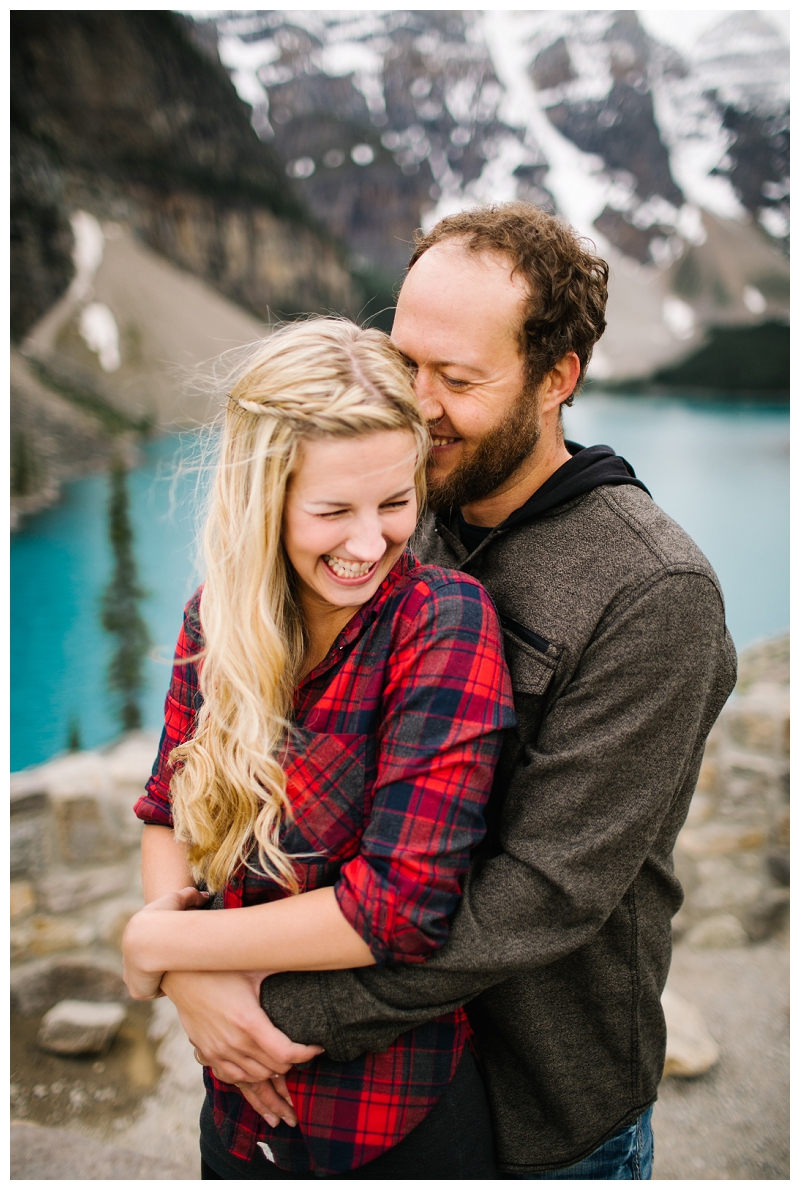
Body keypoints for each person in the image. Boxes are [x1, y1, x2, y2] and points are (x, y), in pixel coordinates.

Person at [144, 203, 738, 1179]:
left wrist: (254, 1000)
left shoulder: (648, 590)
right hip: (358, 1091)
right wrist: (191, 960)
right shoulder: (393, 508)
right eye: (402, 361)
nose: (414, 406)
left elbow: (539, 894)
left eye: (455, 380)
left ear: (556, 380)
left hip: (543, 1103)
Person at [123, 318, 516, 1178]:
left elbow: (400, 907)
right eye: (333, 510)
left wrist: (162, 948)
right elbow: (163, 813)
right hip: (233, 1108)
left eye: (396, 503)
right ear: (265, 496)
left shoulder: (440, 622)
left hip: (390, 1120)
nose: (370, 543)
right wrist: (193, 993)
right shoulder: (214, 616)